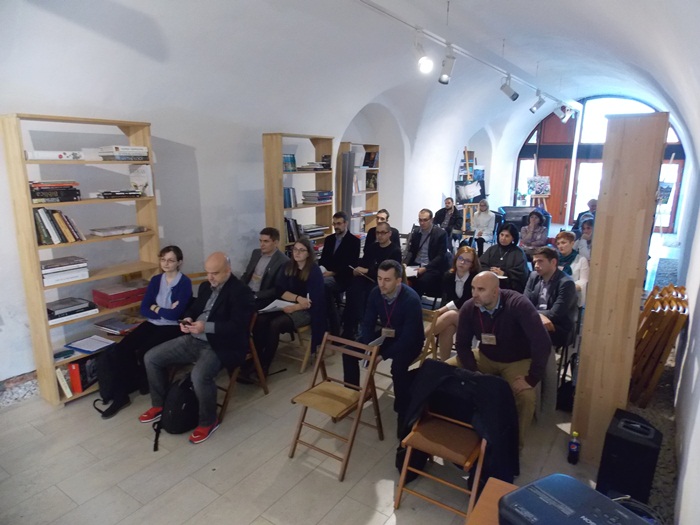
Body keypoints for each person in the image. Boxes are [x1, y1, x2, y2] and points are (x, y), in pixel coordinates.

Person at [140, 252, 254, 444]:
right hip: (194, 338)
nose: (210, 277)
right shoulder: (205, 287)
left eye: (215, 273)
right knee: (151, 357)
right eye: (207, 272)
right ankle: (159, 405)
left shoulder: (241, 292)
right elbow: (194, 309)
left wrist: (205, 327)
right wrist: (188, 319)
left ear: (228, 270)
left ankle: (208, 421)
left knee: (199, 376)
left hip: (221, 344)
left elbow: (238, 327)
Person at [454, 271, 551, 447]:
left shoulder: (518, 304)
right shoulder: (469, 307)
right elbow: (461, 344)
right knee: (446, 369)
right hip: (485, 356)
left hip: (516, 360)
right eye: (473, 288)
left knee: (526, 397)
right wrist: (473, 371)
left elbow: (542, 342)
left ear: (495, 292)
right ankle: (460, 426)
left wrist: (532, 378)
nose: (474, 294)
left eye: (481, 289)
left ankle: (514, 446)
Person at [96, 246, 193, 419]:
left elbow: (175, 315)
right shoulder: (156, 280)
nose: (166, 263)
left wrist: (155, 308)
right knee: (122, 349)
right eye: (163, 259)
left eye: (171, 260)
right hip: (153, 322)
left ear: (179, 262)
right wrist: (162, 309)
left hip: (172, 326)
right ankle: (121, 395)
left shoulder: (184, 282)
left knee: (146, 350)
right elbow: (144, 308)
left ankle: (146, 382)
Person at [343, 260, 424, 428]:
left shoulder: (411, 300)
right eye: (379, 278)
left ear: (398, 280)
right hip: (387, 334)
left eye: (387, 280)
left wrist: (381, 356)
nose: (382, 283)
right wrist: (368, 346)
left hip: (410, 340)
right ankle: (352, 396)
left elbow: (408, 338)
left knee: (398, 368)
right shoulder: (376, 293)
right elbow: (368, 322)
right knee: (349, 352)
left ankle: (403, 412)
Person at [249, 237, 326, 378]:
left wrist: (295, 307)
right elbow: (281, 290)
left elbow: (312, 301)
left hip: (308, 310)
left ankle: (264, 366)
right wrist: (297, 299)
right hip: (287, 304)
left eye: (301, 250)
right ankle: (255, 360)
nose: (297, 253)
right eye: (295, 249)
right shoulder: (288, 266)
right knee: (260, 319)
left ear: (308, 253)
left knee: (275, 324)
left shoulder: (314, 271)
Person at [341, 221, 402, 340]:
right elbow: (364, 264)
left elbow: (390, 274)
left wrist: (366, 271)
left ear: (389, 234)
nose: (380, 235)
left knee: (369, 293)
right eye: (377, 233)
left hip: (383, 282)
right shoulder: (372, 247)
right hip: (367, 278)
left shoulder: (395, 251)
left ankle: (363, 328)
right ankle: (349, 328)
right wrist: (358, 270)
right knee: (352, 289)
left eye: (383, 233)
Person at [432, 245, 481, 361]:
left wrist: (442, 310)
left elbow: (466, 301)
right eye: (460, 258)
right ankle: (445, 363)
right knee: (447, 328)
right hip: (454, 316)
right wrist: (443, 310)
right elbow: (446, 299)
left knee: (451, 314)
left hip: (473, 317)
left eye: (467, 261)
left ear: (472, 264)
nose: (462, 262)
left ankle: (421, 337)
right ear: (456, 258)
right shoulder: (449, 276)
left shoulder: (475, 278)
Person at [524, 247, 578, 348]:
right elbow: (524, 303)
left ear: (553, 262)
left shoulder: (566, 283)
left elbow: (555, 314)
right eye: (535, 262)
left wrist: (532, 314)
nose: (536, 265)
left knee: (525, 332)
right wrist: (538, 316)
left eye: (540, 261)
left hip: (557, 326)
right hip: (536, 320)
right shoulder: (533, 276)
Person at [319, 211, 360, 334]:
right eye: (334, 224)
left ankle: (334, 323)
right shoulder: (329, 239)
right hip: (327, 273)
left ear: (345, 223)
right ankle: (323, 320)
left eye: (339, 223)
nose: (336, 226)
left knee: (323, 286)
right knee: (312, 282)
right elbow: (323, 259)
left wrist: (332, 273)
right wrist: (322, 269)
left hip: (343, 278)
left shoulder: (354, 241)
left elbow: (350, 265)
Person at [240, 227, 289, 310]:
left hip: (262, 297)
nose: (261, 245)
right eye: (260, 241)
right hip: (247, 291)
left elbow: (276, 289)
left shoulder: (283, 261)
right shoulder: (256, 253)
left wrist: (255, 295)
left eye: (266, 241)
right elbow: (247, 274)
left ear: (276, 243)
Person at [406, 208, 449, 297]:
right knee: (400, 277)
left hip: (431, 266)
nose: (422, 223)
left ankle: (414, 301)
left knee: (421, 282)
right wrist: (405, 263)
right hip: (416, 264)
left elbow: (441, 256)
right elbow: (411, 251)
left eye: (425, 220)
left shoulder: (440, 234)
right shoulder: (416, 232)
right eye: (420, 220)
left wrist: (425, 268)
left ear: (431, 220)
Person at [479, 223, 529, 293]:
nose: (503, 238)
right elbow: (481, 264)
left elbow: (521, 273)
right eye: (501, 235)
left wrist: (504, 273)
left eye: (507, 236)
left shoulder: (518, 253)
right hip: (489, 283)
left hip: (509, 288)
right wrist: (491, 271)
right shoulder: (492, 249)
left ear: (513, 238)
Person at [555, 231, 589, 307]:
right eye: (558, 244)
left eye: (563, 243)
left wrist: (568, 287)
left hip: (572, 297)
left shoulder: (581, 260)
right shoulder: (554, 260)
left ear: (572, 243)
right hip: (554, 295)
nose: (560, 246)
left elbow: (583, 280)